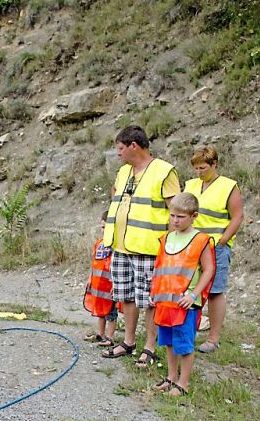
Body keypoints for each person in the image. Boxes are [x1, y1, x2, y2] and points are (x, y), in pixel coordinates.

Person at [101, 125, 180, 368]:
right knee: (126, 296)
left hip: (149, 249)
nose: (118, 154)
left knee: (148, 301)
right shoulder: (123, 172)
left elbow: (176, 210)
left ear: (134, 146)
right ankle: (128, 341)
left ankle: (150, 346)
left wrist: (172, 247)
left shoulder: (164, 171)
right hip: (121, 246)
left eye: (121, 149)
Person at [150, 192, 215, 395]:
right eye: (172, 216)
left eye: (181, 217)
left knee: (184, 344)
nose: (175, 220)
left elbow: (209, 269)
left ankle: (184, 383)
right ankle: (171, 377)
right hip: (166, 302)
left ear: (194, 216)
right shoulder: (167, 238)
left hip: (186, 303)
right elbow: (160, 267)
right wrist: (154, 291)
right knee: (168, 341)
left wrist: (194, 295)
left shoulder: (200, 240)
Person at [185, 147, 243, 353]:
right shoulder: (190, 185)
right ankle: (188, 331)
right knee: (190, 288)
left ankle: (213, 338)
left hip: (215, 246)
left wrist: (223, 240)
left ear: (214, 164)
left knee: (215, 291)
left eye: (203, 168)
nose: (199, 172)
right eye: (196, 168)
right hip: (192, 246)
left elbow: (237, 216)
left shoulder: (228, 186)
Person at [83, 211, 118, 347]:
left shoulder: (116, 247)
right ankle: (100, 334)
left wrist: (116, 284)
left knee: (111, 313)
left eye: (107, 227)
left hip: (110, 288)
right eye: (102, 228)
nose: (104, 231)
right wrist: (89, 279)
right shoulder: (98, 244)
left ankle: (109, 337)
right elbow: (94, 264)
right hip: (98, 287)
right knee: (100, 311)